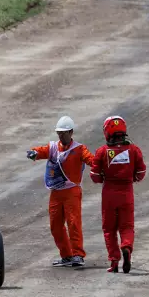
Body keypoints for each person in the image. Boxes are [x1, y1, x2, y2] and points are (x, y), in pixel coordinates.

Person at [27, 115, 94, 268]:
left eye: (63, 133)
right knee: (55, 225)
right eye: (59, 133)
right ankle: (66, 255)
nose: (60, 135)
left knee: (73, 223)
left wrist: (100, 165)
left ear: (71, 132)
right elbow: (41, 151)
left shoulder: (79, 149)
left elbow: (91, 160)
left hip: (72, 192)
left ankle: (78, 255)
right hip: (56, 193)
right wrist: (33, 153)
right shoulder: (53, 148)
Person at [90, 115, 146, 273]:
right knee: (127, 226)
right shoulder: (134, 150)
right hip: (127, 192)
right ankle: (126, 247)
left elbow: (94, 175)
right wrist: (132, 178)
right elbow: (141, 171)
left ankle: (114, 261)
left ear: (107, 131)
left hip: (109, 193)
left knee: (109, 229)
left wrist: (102, 178)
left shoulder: (102, 152)